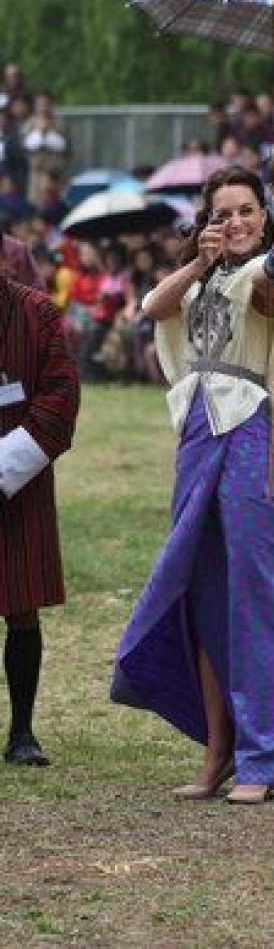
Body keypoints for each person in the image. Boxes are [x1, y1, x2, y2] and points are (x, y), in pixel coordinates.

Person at [111, 167, 274, 803]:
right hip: (196, 434)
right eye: (224, 213)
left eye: (249, 211)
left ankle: (269, 756)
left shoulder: (268, 272)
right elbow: (152, 308)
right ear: (206, 222)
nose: (237, 223)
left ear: (265, 217)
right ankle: (220, 747)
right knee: (200, 590)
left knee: (257, 586)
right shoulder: (201, 273)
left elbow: (273, 302)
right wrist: (201, 262)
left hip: (250, 429)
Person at [0, 267, 79, 765]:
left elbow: (61, 396)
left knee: (20, 604)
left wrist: (7, 462)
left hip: (17, 477)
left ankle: (22, 732)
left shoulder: (37, 313)